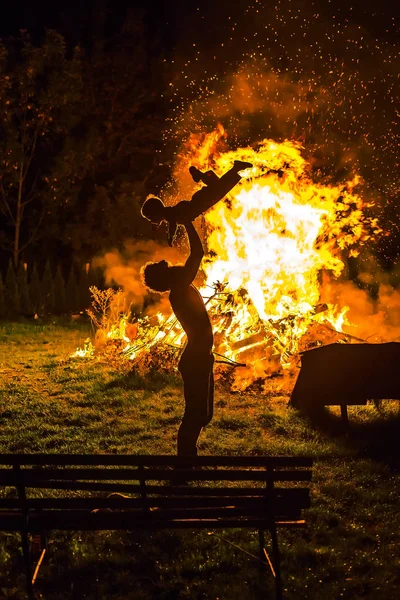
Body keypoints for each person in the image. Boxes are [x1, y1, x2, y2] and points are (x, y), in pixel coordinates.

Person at [141, 218, 214, 457]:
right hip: (195, 360)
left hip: (199, 357)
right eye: (160, 265)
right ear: (165, 277)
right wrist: (188, 222)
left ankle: (188, 456)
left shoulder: (180, 286)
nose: (164, 260)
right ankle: (184, 461)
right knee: (195, 415)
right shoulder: (180, 287)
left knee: (203, 414)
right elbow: (198, 252)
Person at [141, 160, 253, 245]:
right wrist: (157, 225)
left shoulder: (168, 215)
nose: (153, 221)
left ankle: (231, 169)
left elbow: (172, 225)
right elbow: (169, 221)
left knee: (220, 188)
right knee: (218, 185)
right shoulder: (167, 213)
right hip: (199, 201)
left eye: (151, 218)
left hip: (201, 202)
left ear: (156, 213)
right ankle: (203, 175)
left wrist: (171, 237)